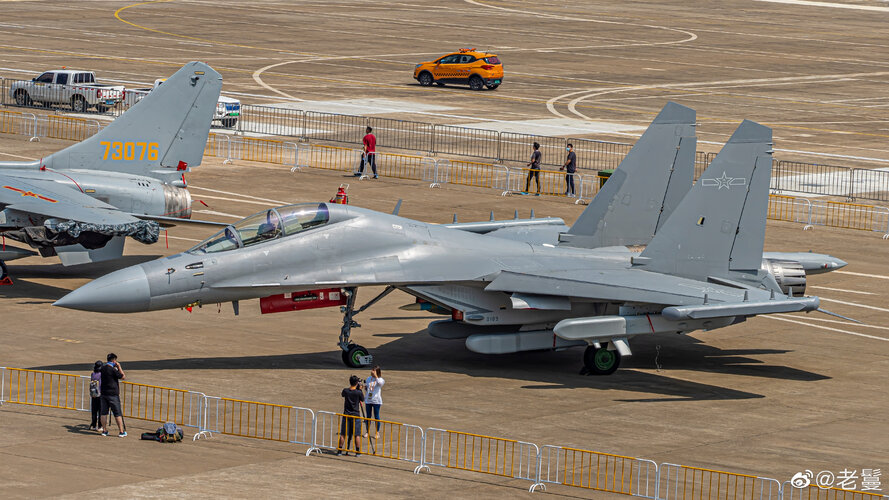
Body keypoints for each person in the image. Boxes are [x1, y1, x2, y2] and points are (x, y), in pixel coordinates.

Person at [99, 353, 126, 437]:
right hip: (113, 394)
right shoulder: (113, 369)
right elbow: (122, 376)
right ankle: (121, 431)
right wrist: (119, 367)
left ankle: (104, 430)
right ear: (114, 360)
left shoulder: (102, 368)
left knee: (103, 413)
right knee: (117, 413)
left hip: (103, 393)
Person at [337, 375, 364, 456]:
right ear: (356, 383)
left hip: (346, 415)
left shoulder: (346, 391)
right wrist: (360, 390)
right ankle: (358, 452)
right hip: (355, 415)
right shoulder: (358, 392)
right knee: (357, 435)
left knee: (343, 434)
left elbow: (343, 394)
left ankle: (339, 451)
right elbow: (362, 399)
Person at [362, 366, 385, 440]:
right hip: (368, 400)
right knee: (368, 416)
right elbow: (367, 387)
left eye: (373, 370)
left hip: (376, 401)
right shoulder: (369, 378)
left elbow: (380, 384)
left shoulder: (380, 379)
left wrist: (376, 376)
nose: (372, 371)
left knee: (376, 416)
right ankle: (367, 431)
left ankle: (377, 432)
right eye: (372, 370)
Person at [89, 360, 102, 430]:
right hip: (100, 394)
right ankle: (100, 426)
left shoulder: (93, 374)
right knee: (100, 411)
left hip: (94, 394)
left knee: (94, 410)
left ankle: (93, 425)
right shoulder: (102, 374)